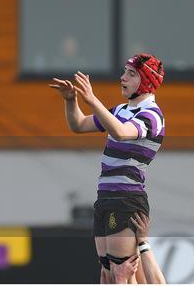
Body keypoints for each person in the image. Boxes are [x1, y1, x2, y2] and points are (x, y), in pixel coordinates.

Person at [49, 53, 165, 284]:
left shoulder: (152, 115)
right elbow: (79, 125)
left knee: (121, 274)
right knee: (110, 275)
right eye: (124, 72)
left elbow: (121, 133)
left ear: (146, 81)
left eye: (131, 74)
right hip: (106, 199)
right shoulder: (120, 111)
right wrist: (70, 100)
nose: (122, 78)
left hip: (126, 200)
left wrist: (92, 99)